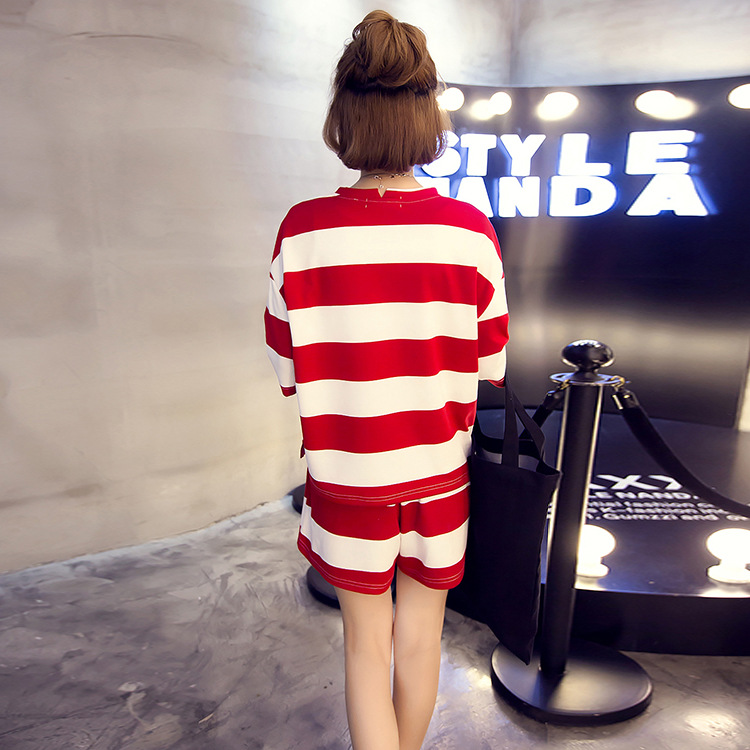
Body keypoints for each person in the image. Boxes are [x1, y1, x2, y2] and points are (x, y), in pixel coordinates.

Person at [264, 10, 508, 750]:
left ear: (345, 116)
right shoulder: (469, 230)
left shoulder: (303, 230)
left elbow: (287, 368)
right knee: (422, 640)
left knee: (365, 646)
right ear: (427, 116)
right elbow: (491, 365)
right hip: (437, 474)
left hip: (347, 477)